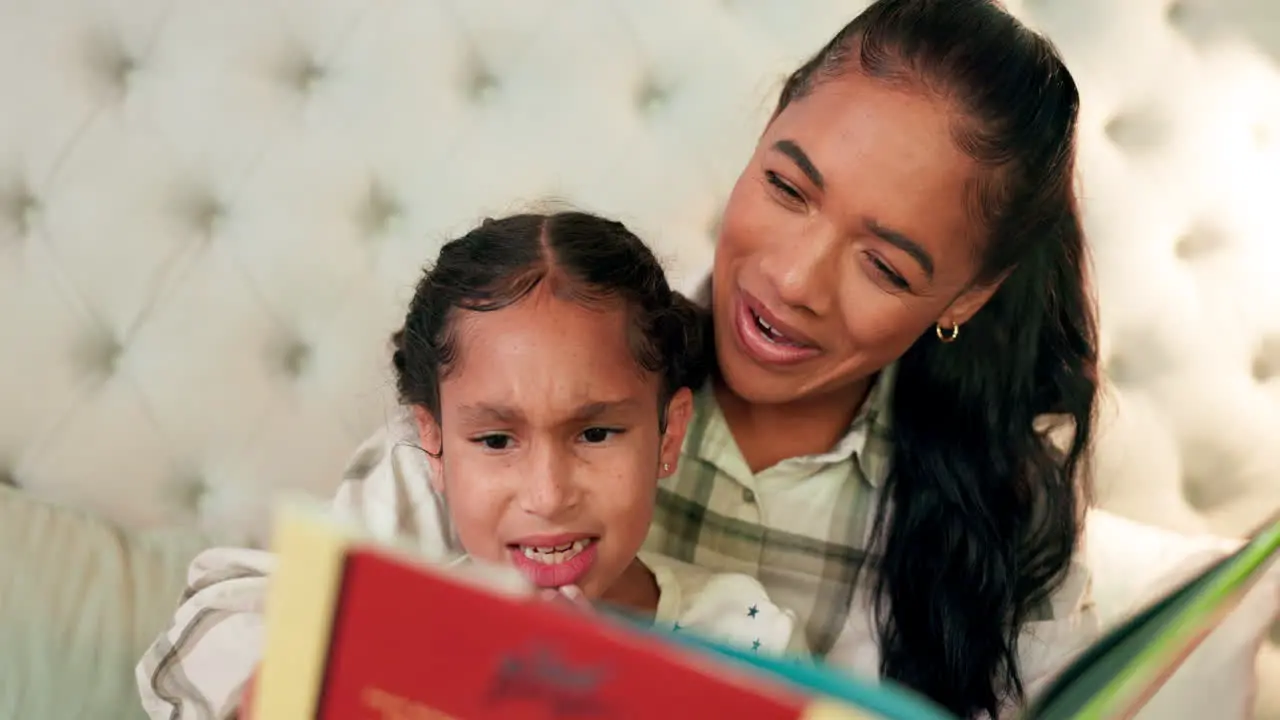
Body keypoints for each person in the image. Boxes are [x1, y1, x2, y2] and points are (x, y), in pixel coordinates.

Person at [138, 1, 1100, 717]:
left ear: (968, 296)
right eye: (785, 186)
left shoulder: (1003, 517)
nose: (796, 277)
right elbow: (212, 626)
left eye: (885, 265)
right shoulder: (552, 362)